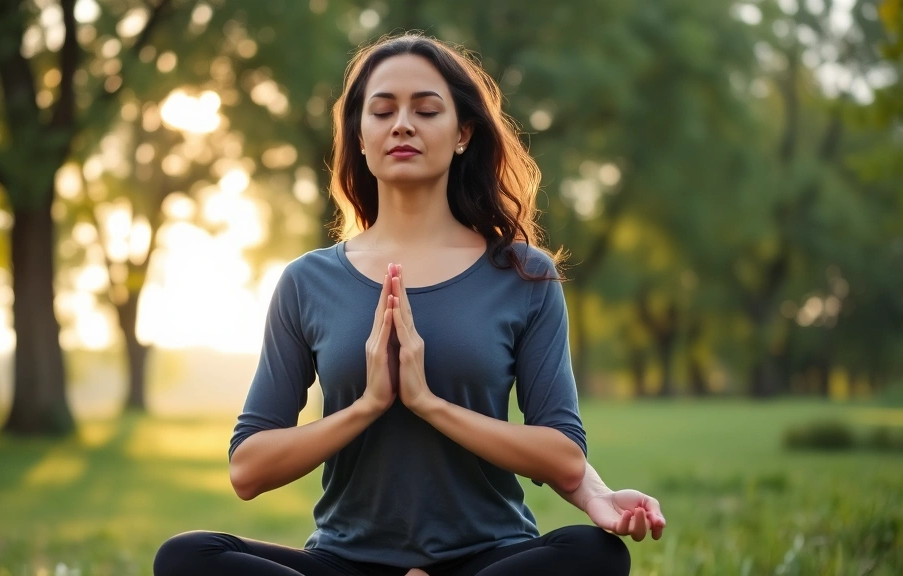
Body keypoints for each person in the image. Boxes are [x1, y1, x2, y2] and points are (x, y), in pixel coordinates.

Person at [154, 32, 665, 576]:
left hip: (487, 557)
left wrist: (428, 403)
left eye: (426, 109)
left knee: (595, 555)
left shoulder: (522, 274)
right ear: (360, 135)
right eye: (382, 111)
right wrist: (368, 405)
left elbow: (562, 454)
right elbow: (247, 469)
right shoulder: (308, 281)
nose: (403, 124)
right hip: (346, 561)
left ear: (463, 132)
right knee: (188, 557)